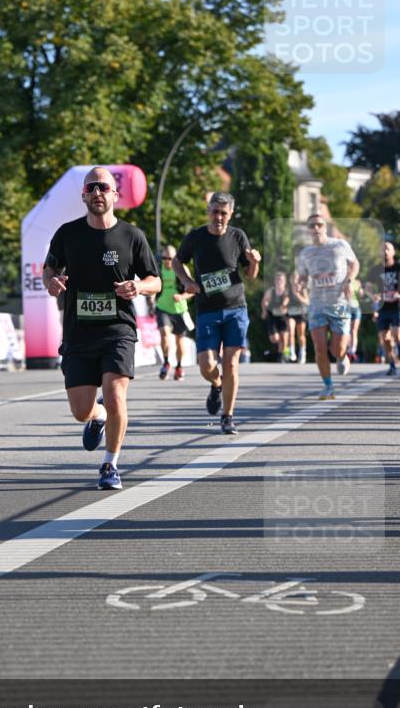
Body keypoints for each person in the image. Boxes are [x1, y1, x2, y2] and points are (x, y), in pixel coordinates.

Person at [42, 167, 160, 491]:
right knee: (81, 410)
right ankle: (98, 418)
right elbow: (49, 266)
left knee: (115, 394)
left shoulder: (132, 236)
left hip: (117, 331)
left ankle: (110, 464)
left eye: (103, 188)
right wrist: (51, 281)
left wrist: (139, 288)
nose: (97, 193)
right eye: (91, 187)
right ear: (83, 195)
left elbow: (156, 279)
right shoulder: (68, 234)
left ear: (115, 196)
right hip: (79, 333)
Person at [173, 192, 260, 434]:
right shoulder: (196, 237)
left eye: (224, 212)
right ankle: (216, 383)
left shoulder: (238, 236)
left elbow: (251, 275)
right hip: (207, 310)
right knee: (206, 366)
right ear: (208, 210)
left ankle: (228, 416)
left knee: (232, 364)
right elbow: (177, 262)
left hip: (235, 309)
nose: (218, 216)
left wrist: (255, 261)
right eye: (215, 211)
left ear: (230, 214)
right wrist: (188, 281)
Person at [295, 214, 359, 400]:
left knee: (336, 349)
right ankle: (328, 386)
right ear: (308, 229)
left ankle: (342, 357)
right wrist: (299, 283)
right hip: (317, 304)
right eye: (312, 225)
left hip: (339, 303)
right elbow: (302, 276)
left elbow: (355, 264)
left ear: (325, 227)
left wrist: (349, 281)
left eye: (319, 224)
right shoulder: (305, 253)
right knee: (319, 347)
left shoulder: (339, 245)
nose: (316, 228)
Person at [368, 241, 400, 376]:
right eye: (382, 249)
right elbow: (367, 286)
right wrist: (373, 296)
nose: (385, 251)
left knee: (397, 335)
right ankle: (392, 365)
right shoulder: (376, 269)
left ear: (393, 252)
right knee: (385, 338)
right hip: (383, 307)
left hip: (397, 307)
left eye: (387, 249)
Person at [155, 245, 192, 381]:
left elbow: (192, 289)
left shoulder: (182, 270)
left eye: (169, 258)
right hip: (162, 307)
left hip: (179, 309)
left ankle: (179, 366)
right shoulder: (159, 269)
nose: (166, 261)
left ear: (175, 258)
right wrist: (151, 298)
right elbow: (155, 286)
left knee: (179, 341)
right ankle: (166, 362)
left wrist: (182, 297)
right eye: (164, 258)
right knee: (164, 333)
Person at [261, 271, 290, 363]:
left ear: (284, 281)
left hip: (283, 317)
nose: (279, 281)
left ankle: (280, 356)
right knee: (275, 339)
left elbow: (287, 299)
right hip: (272, 317)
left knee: (284, 338)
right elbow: (264, 301)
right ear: (275, 281)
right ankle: (278, 348)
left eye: (281, 280)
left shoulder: (286, 291)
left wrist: (284, 304)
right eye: (277, 279)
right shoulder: (271, 291)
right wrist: (264, 311)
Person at [287, 273, 308, 364]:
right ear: (291, 280)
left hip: (301, 314)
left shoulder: (303, 289)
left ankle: (302, 353)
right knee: (291, 332)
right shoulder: (288, 289)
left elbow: (307, 301)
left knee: (301, 335)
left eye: (296, 278)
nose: (295, 281)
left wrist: (298, 295)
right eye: (293, 278)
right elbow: (285, 299)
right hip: (291, 313)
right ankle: (292, 353)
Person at [347, 278, 364, 361]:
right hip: (347, 308)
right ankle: (348, 348)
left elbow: (361, 295)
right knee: (347, 330)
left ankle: (353, 350)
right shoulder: (344, 281)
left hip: (356, 308)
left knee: (354, 330)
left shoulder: (357, 282)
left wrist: (360, 290)